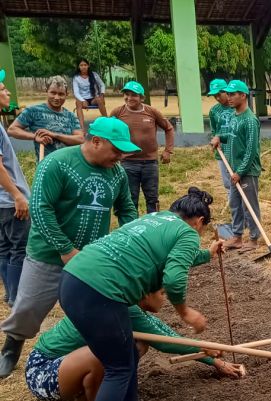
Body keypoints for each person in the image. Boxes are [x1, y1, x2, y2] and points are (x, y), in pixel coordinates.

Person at [60, 187, 224, 401]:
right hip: (100, 291)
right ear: (199, 221)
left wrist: (207, 255)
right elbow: (173, 277)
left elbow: (173, 256)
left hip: (76, 279)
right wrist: (186, 312)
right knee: (119, 367)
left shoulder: (156, 218)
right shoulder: (187, 233)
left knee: (127, 358)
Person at [0, 117, 139, 378]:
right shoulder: (57, 164)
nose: (120, 156)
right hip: (49, 254)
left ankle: (87, 354)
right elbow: (40, 210)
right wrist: (65, 250)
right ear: (96, 141)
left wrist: (132, 240)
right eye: (116, 150)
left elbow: (126, 209)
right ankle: (12, 345)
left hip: (91, 257)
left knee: (94, 309)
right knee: (29, 306)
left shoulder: (116, 173)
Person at [26, 288, 244, 401]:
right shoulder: (125, 308)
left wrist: (211, 358)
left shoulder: (129, 304)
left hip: (64, 368)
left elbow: (164, 333)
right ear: (146, 294)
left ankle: (83, 396)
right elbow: (165, 343)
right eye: (161, 293)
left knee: (136, 345)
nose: (164, 297)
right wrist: (209, 354)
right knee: (101, 354)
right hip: (43, 371)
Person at [111, 80, 175, 214]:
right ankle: (131, 228)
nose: (129, 98)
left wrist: (168, 150)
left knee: (152, 198)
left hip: (150, 163)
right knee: (130, 198)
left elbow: (169, 128)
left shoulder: (151, 112)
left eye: (133, 95)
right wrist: (112, 154)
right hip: (128, 162)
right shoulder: (117, 113)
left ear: (141, 98)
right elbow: (108, 132)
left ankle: (152, 227)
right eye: (126, 94)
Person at [218, 80, 262, 252]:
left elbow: (251, 150)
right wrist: (219, 138)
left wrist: (240, 171)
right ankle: (237, 236)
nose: (228, 97)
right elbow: (232, 136)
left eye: (232, 94)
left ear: (243, 96)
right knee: (235, 203)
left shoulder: (250, 120)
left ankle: (253, 238)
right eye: (227, 94)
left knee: (249, 205)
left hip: (246, 171)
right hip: (234, 170)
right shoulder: (234, 116)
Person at [0, 69, 30, 310]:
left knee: (5, 248)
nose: (7, 92)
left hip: (2, 201)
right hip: (9, 201)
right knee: (19, 248)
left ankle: (10, 293)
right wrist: (17, 195)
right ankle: (16, 298)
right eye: (2, 89)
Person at [8, 75, 83, 161]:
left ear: (67, 94)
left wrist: (54, 135)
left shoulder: (71, 116)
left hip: (68, 163)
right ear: (46, 91)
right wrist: (34, 137)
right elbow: (12, 129)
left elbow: (80, 139)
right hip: (46, 164)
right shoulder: (33, 111)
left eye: (61, 94)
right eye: (53, 93)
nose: (57, 97)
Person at [207, 79, 240, 229]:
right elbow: (214, 130)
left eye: (219, 94)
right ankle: (236, 216)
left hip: (236, 150)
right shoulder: (214, 111)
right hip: (222, 152)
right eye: (215, 95)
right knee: (228, 185)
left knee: (240, 182)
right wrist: (215, 139)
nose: (218, 98)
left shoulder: (237, 107)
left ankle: (244, 215)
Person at [73, 59, 107, 131]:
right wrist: (82, 100)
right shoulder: (76, 78)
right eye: (81, 65)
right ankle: (82, 128)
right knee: (77, 102)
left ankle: (107, 122)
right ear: (79, 67)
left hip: (93, 98)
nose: (83, 67)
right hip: (83, 98)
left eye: (85, 65)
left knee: (99, 99)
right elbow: (76, 93)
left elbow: (102, 85)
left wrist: (102, 95)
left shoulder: (94, 75)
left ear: (88, 66)